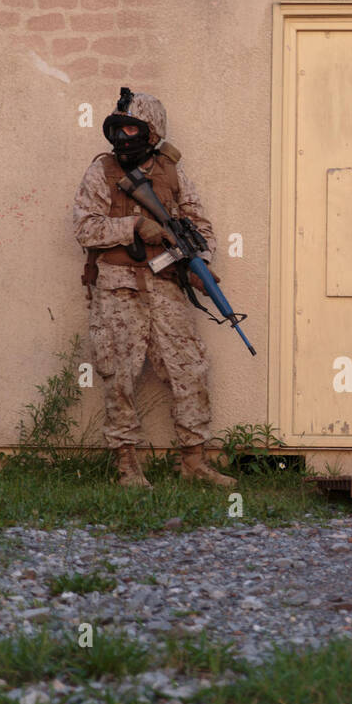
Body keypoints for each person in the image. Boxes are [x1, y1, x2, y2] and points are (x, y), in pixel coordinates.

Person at [71, 88, 235, 488]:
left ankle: (194, 460)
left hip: (165, 286)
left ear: (151, 131)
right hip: (117, 288)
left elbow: (201, 224)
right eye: (119, 128)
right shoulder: (101, 172)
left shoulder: (172, 172)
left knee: (190, 368)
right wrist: (132, 226)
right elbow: (83, 228)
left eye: (132, 128)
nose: (124, 136)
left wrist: (201, 261)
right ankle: (127, 465)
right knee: (118, 374)